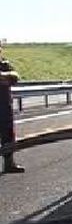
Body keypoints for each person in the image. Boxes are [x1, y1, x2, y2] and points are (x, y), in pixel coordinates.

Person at [0, 42, 24, 173]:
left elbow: (15, 77)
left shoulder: (4, 64)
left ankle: (9, 163)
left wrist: (4, 76)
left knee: (8, 136)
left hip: (4, 106)